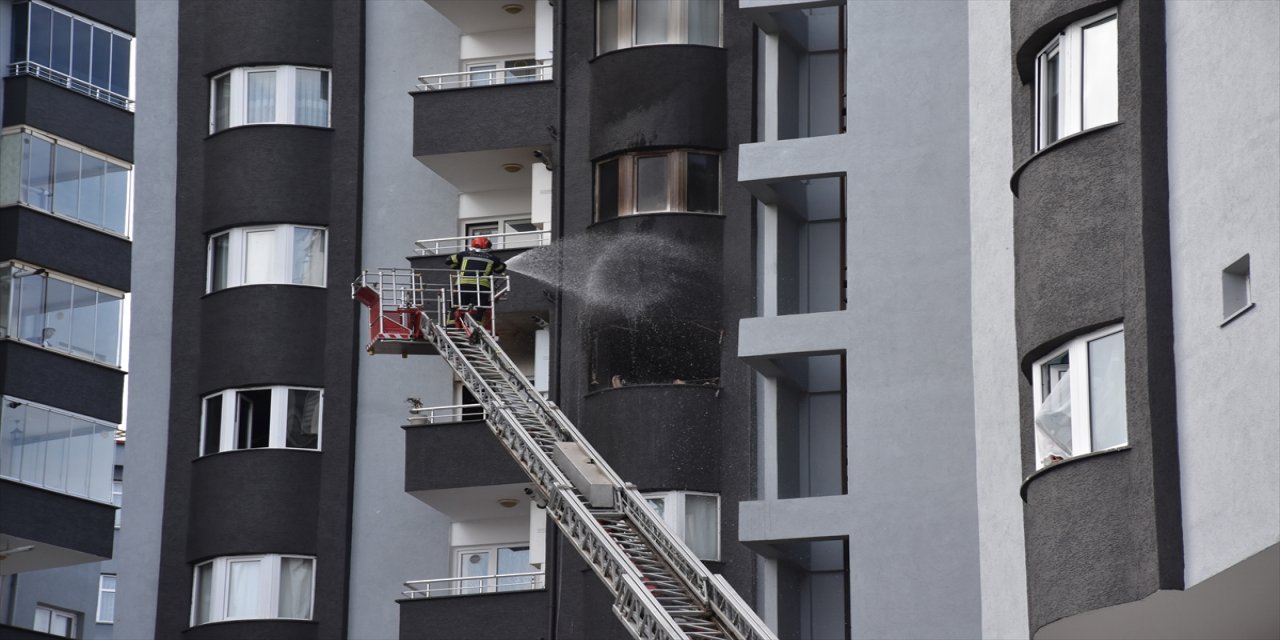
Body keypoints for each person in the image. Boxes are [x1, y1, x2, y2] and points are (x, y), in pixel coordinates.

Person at [445, 236, 507, 333]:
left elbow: (448, 260)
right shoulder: (493, 258)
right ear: (487, 245)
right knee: (478, 307)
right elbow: (500, 269)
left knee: (457, 305)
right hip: (481, 287)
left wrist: (458, 266)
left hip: (462, 285)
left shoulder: (464, 254)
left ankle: (452, 325)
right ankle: (476, 327)